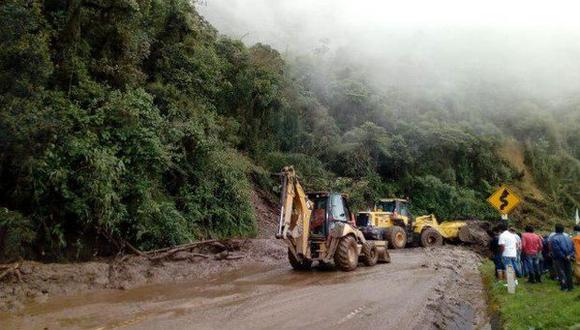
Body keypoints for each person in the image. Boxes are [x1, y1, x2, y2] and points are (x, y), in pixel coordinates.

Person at [549, 224, 575, 291]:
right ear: (563, 229)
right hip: (568, 257)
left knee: (561, 272)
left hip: (559, 258)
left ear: (555, 229)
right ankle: (570, 286)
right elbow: (573, 248)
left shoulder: (554, 238)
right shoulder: (568, 237)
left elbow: (557, 250)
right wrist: (569, 256)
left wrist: (564, 256)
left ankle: (564, 287)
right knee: (568, 272)